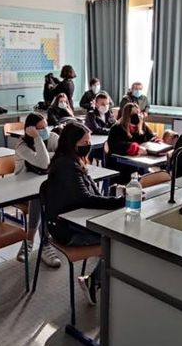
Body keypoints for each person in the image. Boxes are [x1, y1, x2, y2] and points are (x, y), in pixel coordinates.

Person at [45, 121, 125, 304]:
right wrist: (120, 202)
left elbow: (91, 194)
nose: (88, 146)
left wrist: (116, 194)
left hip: (79, 219)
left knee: (120, 236)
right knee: (118, 242)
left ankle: (106, 280)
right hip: (65, 229)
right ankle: (94, 282)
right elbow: (85, 198)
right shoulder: (66, 165)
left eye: (89, 141)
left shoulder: (74, 161)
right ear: (72, 143)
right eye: (84, 142)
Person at [13, 112, 61, 268]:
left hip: (45, 184)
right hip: (21, 189)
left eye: (46, 126)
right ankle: (39, 242)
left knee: (43, 194)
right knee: (39, 197)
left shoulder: (53, 137)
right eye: (40, 128)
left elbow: (64, 155)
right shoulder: (21, 145)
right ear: (30, 129)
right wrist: (37, 138)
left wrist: (49, 155)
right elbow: (43, 163)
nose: (45, 130)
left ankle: (36, 242)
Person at [107, 103, 159, 184]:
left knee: (150, 178)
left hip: (139, 163)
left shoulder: (141, 126)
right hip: (120, 167)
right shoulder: (116, 128)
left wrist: (157, 143)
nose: (136, 116)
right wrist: (136, 148)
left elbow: (151, 137)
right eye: (133, 113)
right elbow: (117, 146)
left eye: (138, 113)